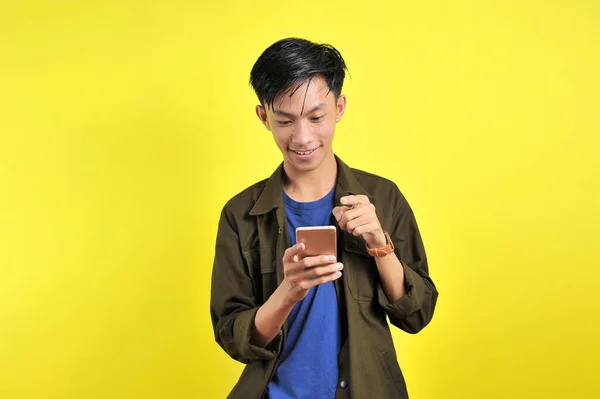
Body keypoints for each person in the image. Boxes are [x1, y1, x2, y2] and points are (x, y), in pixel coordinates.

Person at [210, 37, 438, 399]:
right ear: (263, 117)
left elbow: (417, 313)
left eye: (316, 117)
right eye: (284, 120)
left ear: (340, 107)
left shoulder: (383, 197)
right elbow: (232, 336)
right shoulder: (240, 214)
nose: (302, 137)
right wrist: (288, 291)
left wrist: (381, 247)